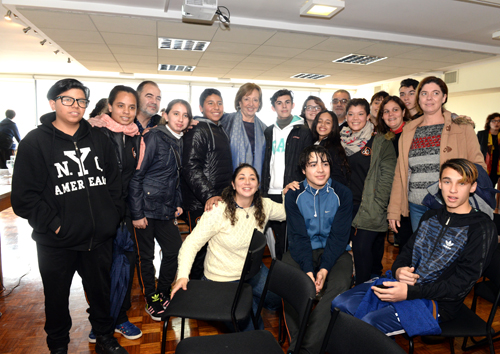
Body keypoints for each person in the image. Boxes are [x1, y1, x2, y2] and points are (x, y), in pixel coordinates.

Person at [11, 79, 128, 354]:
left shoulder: (98, 138)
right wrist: (55, 225)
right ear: (53, 103)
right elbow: (24, 198)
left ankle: (104, 337)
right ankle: (58, 347)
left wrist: (111, 217)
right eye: (68, 100)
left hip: (98, 239)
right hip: (56, 242)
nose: (75, 106)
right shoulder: (35, 142)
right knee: (56, 300)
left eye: (81, 101)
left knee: (100, 295)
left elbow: (114, 182)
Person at [332, 159, 498, 337]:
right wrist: (398, 271)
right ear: (440, 183)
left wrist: (411, 292)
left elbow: (460, 286)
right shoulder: (430, 216)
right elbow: (407, 252)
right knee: (340, 302)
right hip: (405, 286)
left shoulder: (481, 227)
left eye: (462, 183)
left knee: (370, 324)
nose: (453, 190)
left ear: (472, 187)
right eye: (447, 181)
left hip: (438, 302)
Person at [171, 163, 286, 331]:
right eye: (242, 178)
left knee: (278, 298)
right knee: (252, 329)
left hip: (253, 272)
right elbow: (191, 244)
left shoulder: (264, 205)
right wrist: (182, 276)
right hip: (223, 280)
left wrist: (289, 193)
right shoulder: (218, 211)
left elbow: (287, 212)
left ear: (258, 185)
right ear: (233, 184)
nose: (247, 182)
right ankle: (248, 303)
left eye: (252, 178)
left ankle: (251, 298)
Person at [388, 76, 486, 233]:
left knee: (450, 254)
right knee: (423, 254)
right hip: (416, 206)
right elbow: (399, 173)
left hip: (450, 205)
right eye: (424, 93)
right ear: (418, 98)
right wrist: (393, 210)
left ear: (444, 97)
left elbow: (478, 166)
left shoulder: (462, 127)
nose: (429, 98)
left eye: (435, 93)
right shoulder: (409, 130)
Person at [283, 145, 353, 354]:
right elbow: (298, 237)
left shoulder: (343, 193)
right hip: (303, 250)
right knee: (291, 282)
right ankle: (305, 345)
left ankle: (302, 349)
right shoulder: (293, 194)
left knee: (340, 285)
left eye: (324, 163)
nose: (320, 169)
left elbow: (339, 237)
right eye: (313, 164)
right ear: (303, 170)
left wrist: (323, 270)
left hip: (335, 251)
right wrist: (308, 271)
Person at [87, 85, 142, 342]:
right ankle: (100, 321)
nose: (126, 112)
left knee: (125, 269)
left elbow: (131, 178)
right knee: (99, 272)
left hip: (124, 216)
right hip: (97, 217)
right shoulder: (94, 133)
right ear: (110, 106)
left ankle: (120, 318)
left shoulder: (133, 136)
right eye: (121, 105)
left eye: (132, 107)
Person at [128, 99, 192, 321]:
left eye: (185, 115)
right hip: (145, 209)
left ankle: (163, 292)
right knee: (145, 257)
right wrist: (137, 213)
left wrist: (179, 203)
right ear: (166, 115)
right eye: (176, 114)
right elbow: (137, 176)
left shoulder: (179, 140)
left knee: (174, 250)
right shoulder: (154, 136)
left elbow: (175, 177)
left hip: (165, 208)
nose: (180, 119)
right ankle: (151, 298)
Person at [340, 98, 396, 284]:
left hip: (369, 206)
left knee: (362, 250)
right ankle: (362, 287)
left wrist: (379, 204)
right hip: (346, 206)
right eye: (351, 114)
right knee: (354, 253)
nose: (355, 118)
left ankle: (359, 297)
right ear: (346, 116)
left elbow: (387, 176)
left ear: (368, 116)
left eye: (360, 114)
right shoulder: (340, 139)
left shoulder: (380, 141)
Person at [181, 88, 233, 279]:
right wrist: (208, 195)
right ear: (201, 107)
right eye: (210, 103)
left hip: (217, 201)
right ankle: (191, 293)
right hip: (200, 203)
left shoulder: (219, 129)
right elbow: (190, 167)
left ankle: (206, 291)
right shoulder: (198, 130)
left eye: (219, 103)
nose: (216, 107)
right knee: (198, 249)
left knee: (212, 248)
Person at [261, 89, 312, 259]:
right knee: (270, 237)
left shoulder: (303, 131)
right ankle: (277, 270)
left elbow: (308, 164)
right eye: (279, 103)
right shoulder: (268, 131)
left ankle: (287, 275)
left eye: (287, 102)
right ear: (273, 107)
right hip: (269, 194)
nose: (284, 106)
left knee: (288, 239)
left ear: (293, 105)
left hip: (290, 192)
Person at [377, 96, 412, 250]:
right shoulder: (384, 139)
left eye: (395, 110)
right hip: (394, 196)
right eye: (386, 111)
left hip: (412, 197)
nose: (391, 115)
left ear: (403, 112)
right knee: (403, 243)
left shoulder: (414, 134)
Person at [220, 83, 267, 176]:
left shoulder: (264, 129)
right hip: (227, 180)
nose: (251, 104)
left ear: (259, 103)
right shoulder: (226, 121)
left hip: (255, 183)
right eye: (246, 99)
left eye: (255, 100)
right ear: (239, 102)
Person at [88, 81, 161, 134]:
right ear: (137, 97)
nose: (154, 101)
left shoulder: (163, 126)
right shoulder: (104, 124)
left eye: (158, 98)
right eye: (149, 96)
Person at [311, 110, 350, 186]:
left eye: (328, 122)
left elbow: (338, 176)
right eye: (320, 121)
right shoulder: (312, 143)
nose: (323, 125)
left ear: (333, 127)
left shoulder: (334, 148)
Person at [477, 112, 500, 189]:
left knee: (492, 189)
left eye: (499, 121)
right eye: (494, 121)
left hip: (497, 169)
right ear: (489, 123)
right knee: (481, 189)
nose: (496, 123)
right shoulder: (482, 134)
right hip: (483, 167)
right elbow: (475, 150)